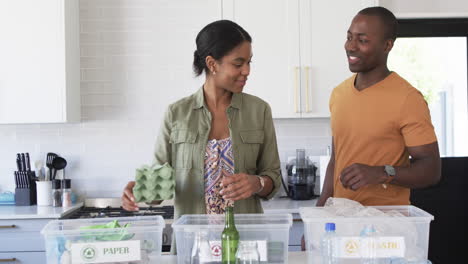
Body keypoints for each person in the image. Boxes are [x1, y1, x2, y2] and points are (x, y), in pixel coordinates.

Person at [122, 20, 281, 219]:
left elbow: (274, 178)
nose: (247, 71)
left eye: (249, 62)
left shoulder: (259, 110)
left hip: (246, 241)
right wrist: (138, 191)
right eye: (238, 64)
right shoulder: (176, 113)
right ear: (212, 64)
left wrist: (257, 183)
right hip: (193, 241)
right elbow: (158, 188)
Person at [317, 6, 441, 207]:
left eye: (362, 40)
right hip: (341, 220)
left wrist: (381, 173)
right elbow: (336, 159)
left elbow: (431, 169)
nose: (351, 46)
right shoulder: (339, 94)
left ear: (387, 45)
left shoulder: (408, 99)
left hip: (387, 226)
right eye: (349, 37)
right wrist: (320, 214)